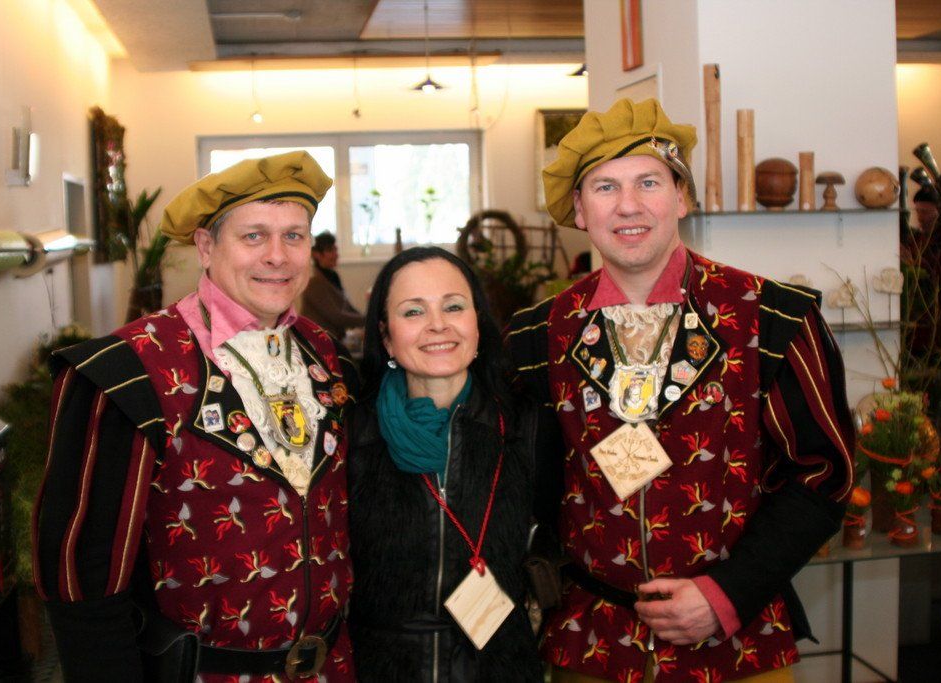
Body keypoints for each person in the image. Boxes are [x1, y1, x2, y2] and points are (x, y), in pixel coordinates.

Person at [505, 98, 855, 681]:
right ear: (580, 209)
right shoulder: (536, 335)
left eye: (649, 182)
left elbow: (822, 475)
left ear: (682, 197)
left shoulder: (773, 318)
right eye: (605, 187)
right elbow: (525, 481)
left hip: (738, 645)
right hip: (592, 646)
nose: (629, 205)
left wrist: (727, 593)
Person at [33, 152, 360, 681]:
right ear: (206, 247)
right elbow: (82, 577)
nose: (278, 256)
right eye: (254, 236)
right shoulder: (127, 371)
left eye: (293, 236)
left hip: (333, 667)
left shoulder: (325, 353)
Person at [347, 246, 543, 682]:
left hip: (499, 668)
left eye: (453, 307)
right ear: (386, 336)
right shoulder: (351, 434)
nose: (438, 324)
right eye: (413, 311)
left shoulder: (525, 425)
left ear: (478, 323)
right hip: (379, 670)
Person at [301, 231, 365, 339]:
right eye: (330, 250)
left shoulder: (333, 276)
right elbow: (337, 317)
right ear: (316, 254)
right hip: (318, 342)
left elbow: (348, 308)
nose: (336, 254)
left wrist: (368, 318)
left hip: (333, 338)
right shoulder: (314, 283)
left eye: (336, 249)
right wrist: (367, 320)